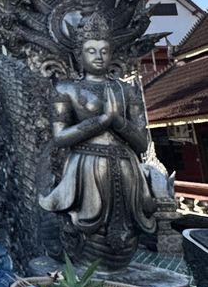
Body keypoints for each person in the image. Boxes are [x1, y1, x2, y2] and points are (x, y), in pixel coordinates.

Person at [39, 21, 156, 271]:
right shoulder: (66, 89)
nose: (99, 56)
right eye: (91, 51)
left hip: (126, 167)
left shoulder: (126, 91)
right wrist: (101, 121)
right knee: (86, 227)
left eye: (104, 50)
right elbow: (60, 137)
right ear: (78, 55)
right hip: (84, 165)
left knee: (125, 230)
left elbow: (141, 142)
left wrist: (118, 122)